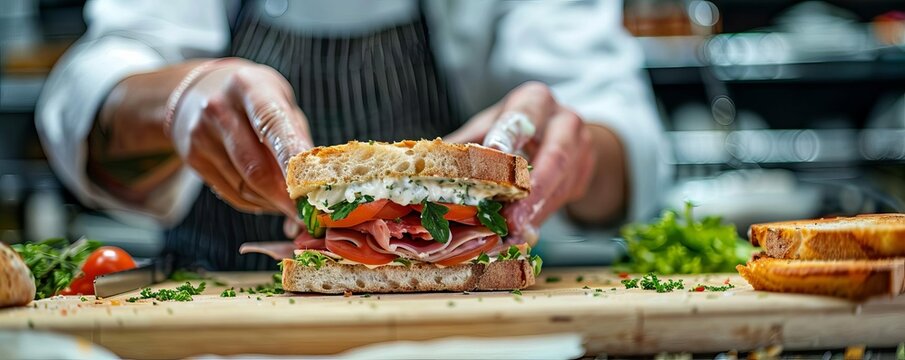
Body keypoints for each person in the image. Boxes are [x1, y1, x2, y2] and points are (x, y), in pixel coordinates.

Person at [37, 0, 669, 270]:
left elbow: (621, 126)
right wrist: (179, 100)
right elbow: (92, 90)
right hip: (209, 307)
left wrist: (569, 143)